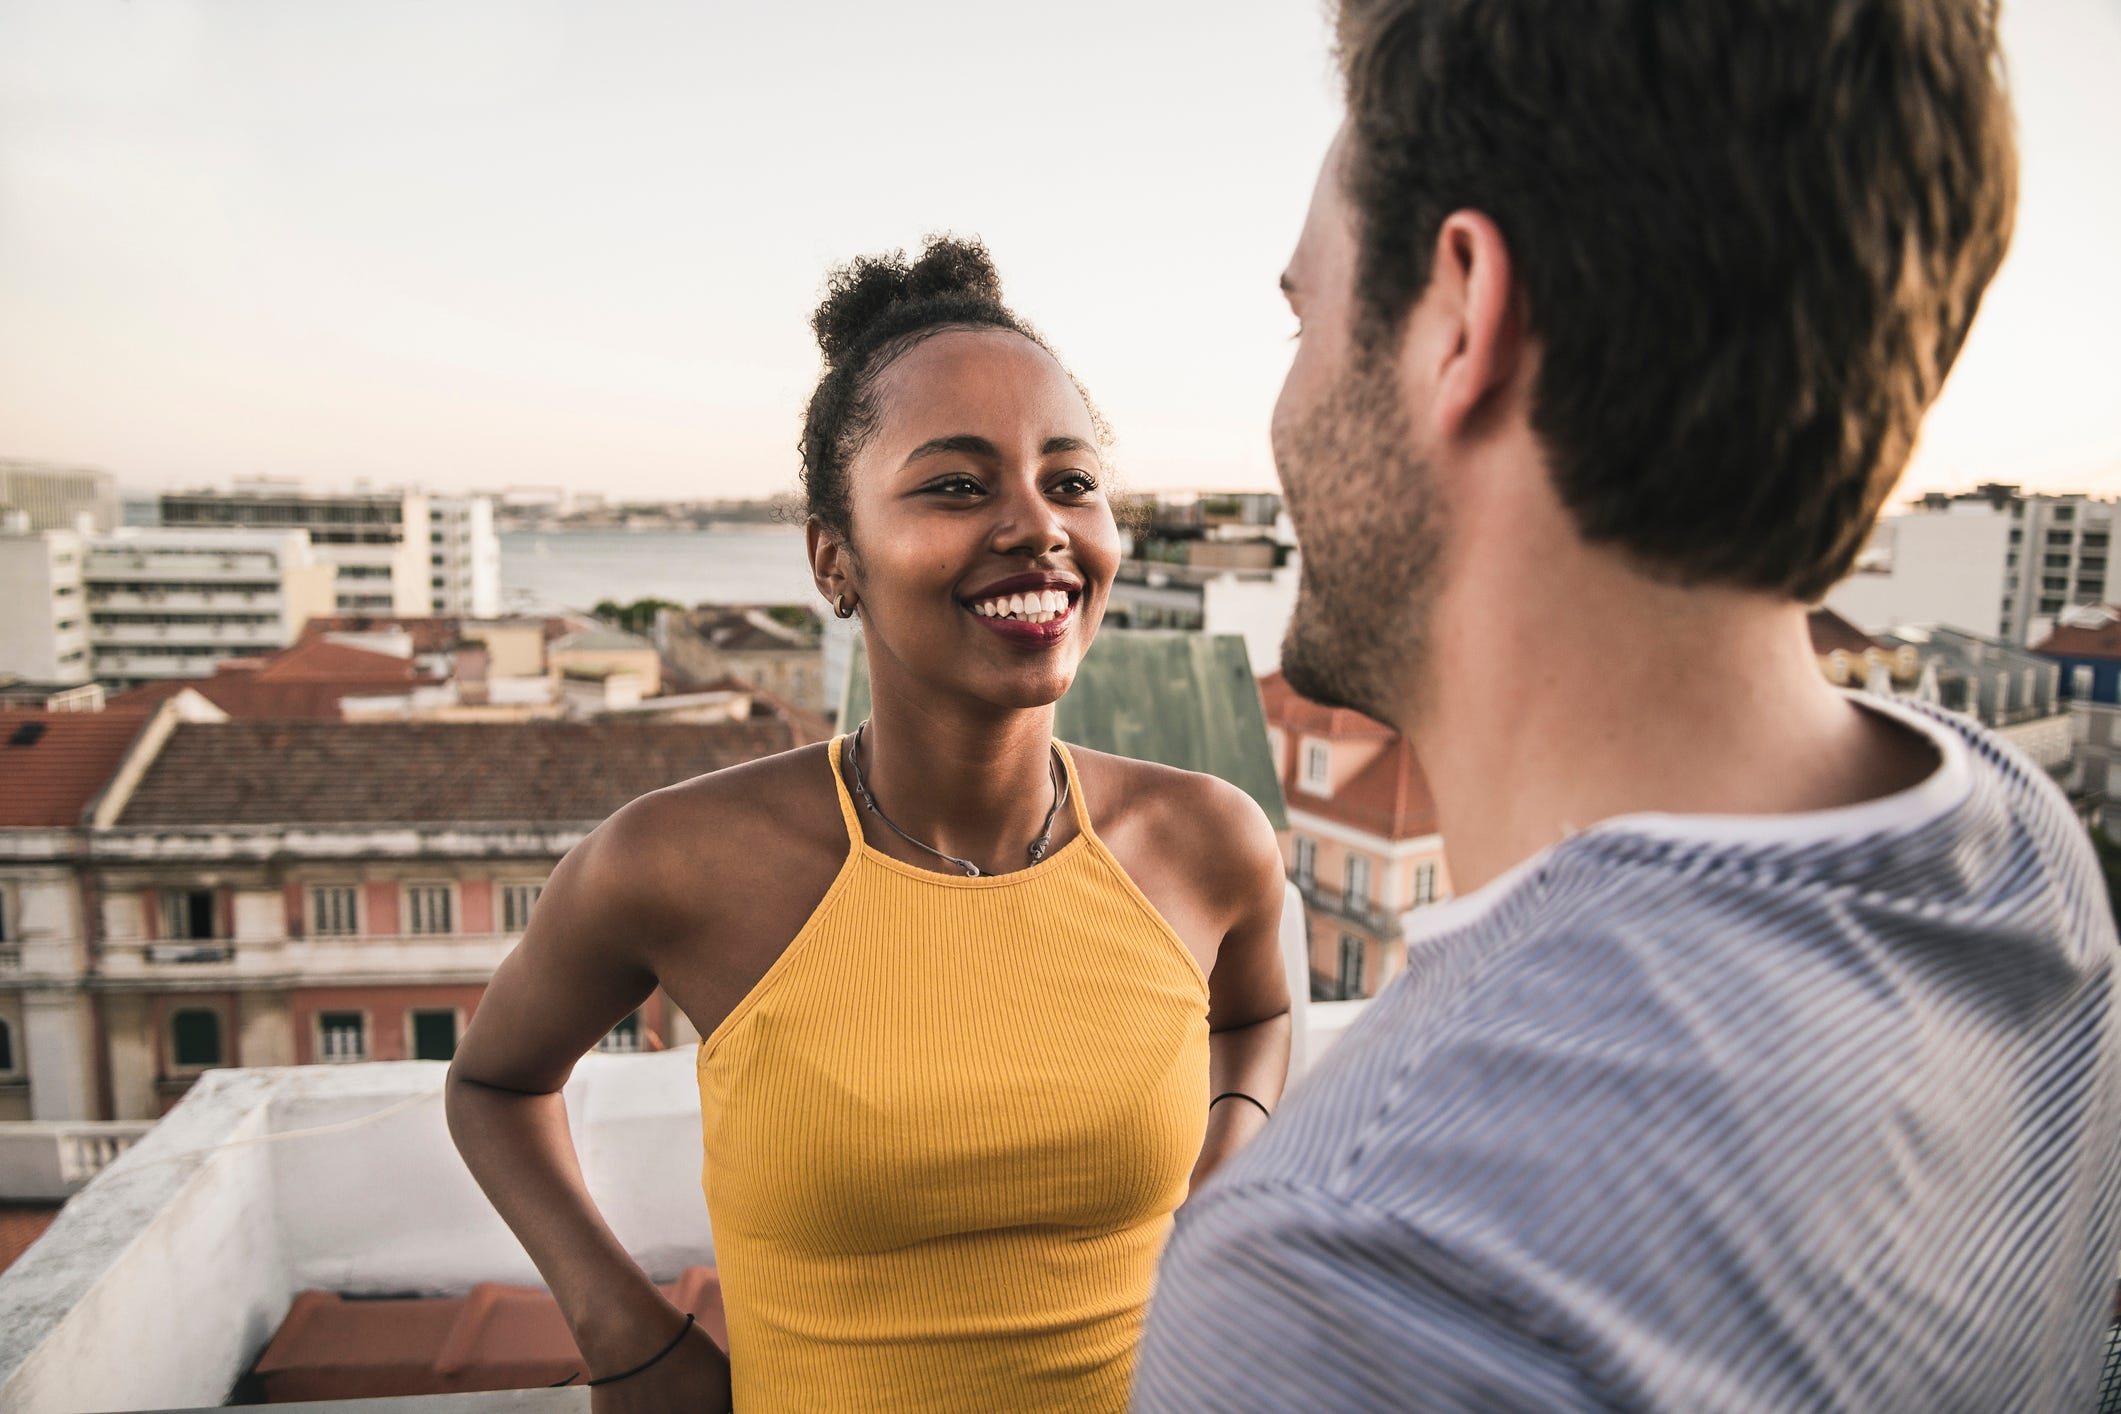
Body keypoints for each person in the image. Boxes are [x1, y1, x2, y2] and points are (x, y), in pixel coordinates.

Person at [1133, 2, 2121, 1410]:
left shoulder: (1352, 1274)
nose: (1281, 407)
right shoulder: (2016, 846)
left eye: (1306, 313)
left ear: (1462, 314)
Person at [446, 235, 1291, 1414]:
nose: (1037, 526)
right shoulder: (679, 863)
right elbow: (492, 1087)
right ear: (834, 559)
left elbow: (1255, 1013)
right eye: (955, 484)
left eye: (1070, 478)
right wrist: (626, 1335)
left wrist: (1223, 1168)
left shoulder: (1206, 839)